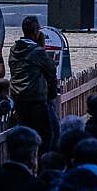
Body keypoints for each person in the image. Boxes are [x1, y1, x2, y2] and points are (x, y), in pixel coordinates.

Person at [7, 16, 59, 144]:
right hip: (36, 98)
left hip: (18, 97)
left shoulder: (14, 49)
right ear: (36, 32)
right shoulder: (37, 51)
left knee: (24, 133)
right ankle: (42, 160)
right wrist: (52, 94)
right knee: (49, 133)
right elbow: (51, 71)